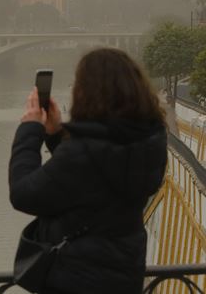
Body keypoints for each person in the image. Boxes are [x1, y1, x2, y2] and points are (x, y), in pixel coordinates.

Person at [9, 48, 167, 294]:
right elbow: (96, 182)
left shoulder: (83, 152)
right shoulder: (149, 144)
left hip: (76, 280)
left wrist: (30, 129)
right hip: (124, 277)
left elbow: (23, 193)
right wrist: (57, 134)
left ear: (88, 93)